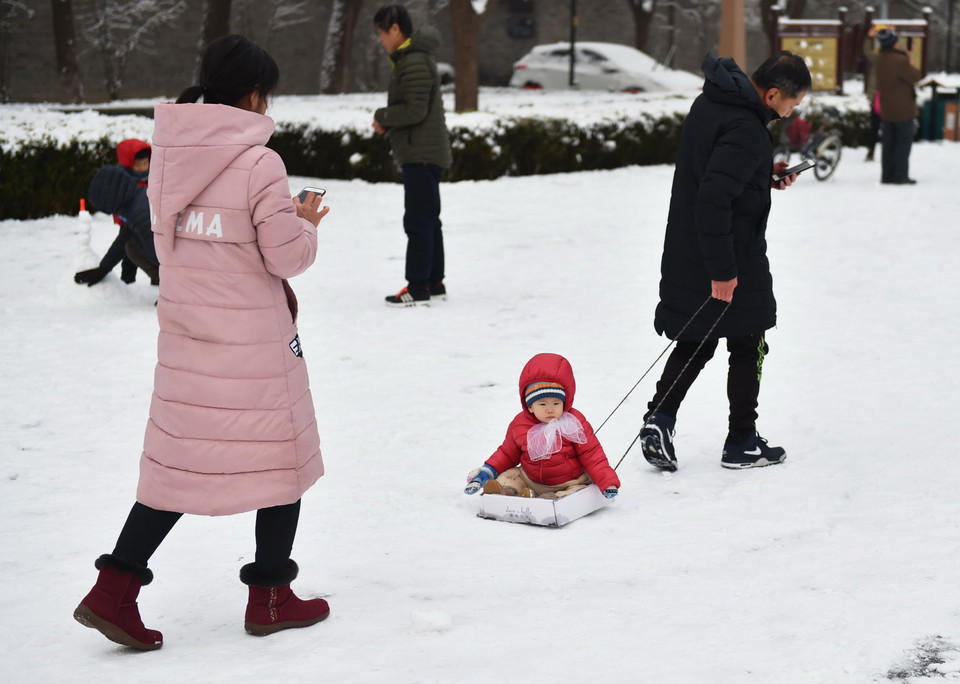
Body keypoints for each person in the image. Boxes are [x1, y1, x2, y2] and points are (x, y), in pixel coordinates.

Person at [73, 34, 331, 651]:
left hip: (188, 340)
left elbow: (172, 248)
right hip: (252, 345)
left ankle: (113, 591)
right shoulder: (258, 162)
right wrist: (305, 221)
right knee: (282, 463)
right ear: (251, 95)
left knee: (177, 468)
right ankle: (270, 595)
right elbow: (286, 256)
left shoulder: (170, 157)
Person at [638, 51, 811, 472]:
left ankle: (659, 419)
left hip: (692, 245)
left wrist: (764, 176)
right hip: (729, 251)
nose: (792, 112)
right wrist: (724, 272)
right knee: (749, 337)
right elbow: (715, 198)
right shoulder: (747, 129)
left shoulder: (715, 102)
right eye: (793, 103)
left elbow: (712, 171)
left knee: (698, 337)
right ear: (772, 94)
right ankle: (742, 441)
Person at [372, 4, 452, 307]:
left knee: (418, 221)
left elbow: (415, 110)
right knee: (429, 219)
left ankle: (418, 287)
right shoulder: (413, 58)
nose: (381, 39)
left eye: (382, 32)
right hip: (425, 150)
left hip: (421, 152)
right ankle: (434, 281)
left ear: (395, 29)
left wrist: (383, 115)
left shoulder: (413, 61)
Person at [464, 353, 620, 499]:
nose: (550, 409)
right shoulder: (520, 424)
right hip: (531, 479)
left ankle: (557, 499)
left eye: (556, 403)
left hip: (569, 481)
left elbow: (592, 455)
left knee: (578, 489)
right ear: (530, 406)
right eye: (543, 404)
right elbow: (507, 453)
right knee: (509, 476)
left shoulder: (573, 423)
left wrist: (608, 482)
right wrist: (487, 471)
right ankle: (509, 492)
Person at [74, 139, 159, 286]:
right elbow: (123, 237)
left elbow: (172, 261)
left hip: (189, 277)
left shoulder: (142, 216)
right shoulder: (138, 200)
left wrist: (171, 296)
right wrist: (103, 269)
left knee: (134, 248)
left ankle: (161, 283)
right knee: (130, 244)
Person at [874, 28, 922, 185]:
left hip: (887, 109)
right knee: (902, 143)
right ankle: (901, 176)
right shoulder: (900, 61)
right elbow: (915, 76)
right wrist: (910, 59)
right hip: (903, 110)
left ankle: (887, 176)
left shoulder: (880, 59)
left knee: (888, 144)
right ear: (894, 43)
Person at [862, 26, 887, 162]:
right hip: (878, 98)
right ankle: (871, 151)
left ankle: (876, 151)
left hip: (885, 98)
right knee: (875, 126)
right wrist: (869, 37)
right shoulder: (878, 58)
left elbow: (867, 52)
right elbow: (867, 51)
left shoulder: (887, 60)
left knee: (879, 127)